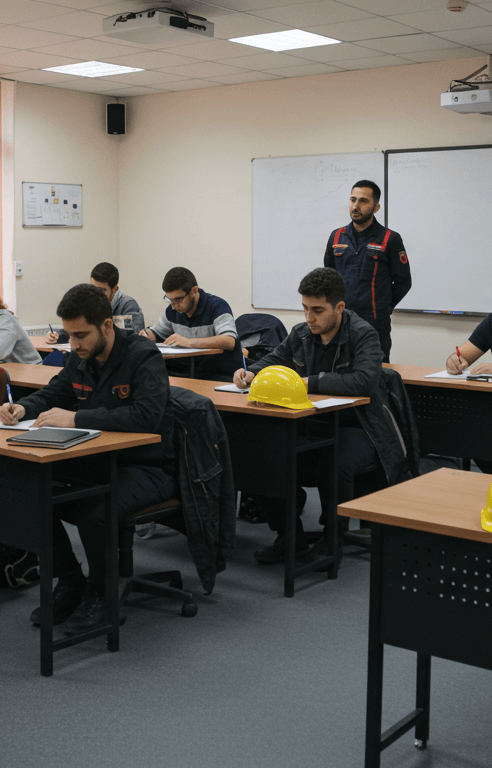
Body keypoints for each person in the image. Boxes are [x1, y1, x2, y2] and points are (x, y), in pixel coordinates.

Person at [2, 284, 174, 633]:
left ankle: (102, 592)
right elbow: (56, 391)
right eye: (69, 335)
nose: (74, 343)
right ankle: (71, 580)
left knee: (96, 510)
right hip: (97, 459)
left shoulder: (142, 355)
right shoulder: (79, 357)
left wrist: (77, 418)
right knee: (35, 494)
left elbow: (146, 417)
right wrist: (24, 407)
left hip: (147, 465)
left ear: (107, 326)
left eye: (81, 335)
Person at [234, 268, 401, 563]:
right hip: (312, 423)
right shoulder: (301, 333)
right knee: (260, 452)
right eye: (305, 309)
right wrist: (251, 372)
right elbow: (274, 360)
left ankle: (332, 541)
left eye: (317, 310)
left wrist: (309, 381)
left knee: (335, 462)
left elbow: (363, 382)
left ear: (339, 307)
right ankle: (289, 536)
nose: (309, 318)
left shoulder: (364, 334)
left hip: (362, 427)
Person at [324, 179, 411, 362]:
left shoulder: (390, 239)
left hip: (374, 324)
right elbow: (328, 277)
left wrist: (383, 307)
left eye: (363, 201)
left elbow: (403, 282)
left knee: (376, 376)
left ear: (376, 207)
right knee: (338, 374)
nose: (355, 206)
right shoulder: (336, 236)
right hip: (340, 322)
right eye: (352, 199)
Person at [139, 266, 240, 382]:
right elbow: (156, 333)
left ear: (194, 291)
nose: (174, 305)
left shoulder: (217, 307)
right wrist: (145, 335)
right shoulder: (172, 311)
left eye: (178, 300)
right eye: (169, 300)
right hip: (187, 375)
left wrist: (188, 342)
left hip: (221, 376)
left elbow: (229, 341)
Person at [46, 262, 146, 343]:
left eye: (102, 290)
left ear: (115, 289)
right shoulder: (90, 302)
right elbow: (76, 327)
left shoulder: (129, 306)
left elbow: (137, 340)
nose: (95, 294)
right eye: (93, 288)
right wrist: (56, 336)